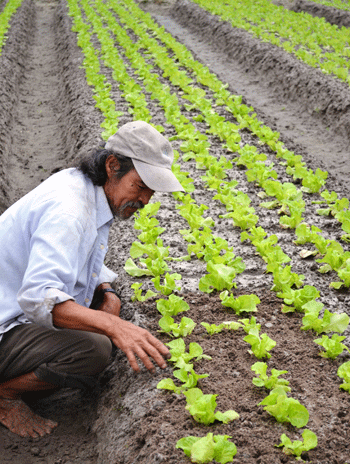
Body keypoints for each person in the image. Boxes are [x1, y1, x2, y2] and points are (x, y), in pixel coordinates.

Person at [0, 121, 184, 438]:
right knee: (96, 348)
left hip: (12, 309)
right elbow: (37, 297)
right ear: (112, 166)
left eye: (151, 192)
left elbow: (82, 254)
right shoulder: (69, 211)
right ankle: (6, 396)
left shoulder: (86, 190)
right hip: (7, 321)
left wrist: (108, 293)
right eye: (140, 187)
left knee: (102, 314)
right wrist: (113, 325)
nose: (145, 200)